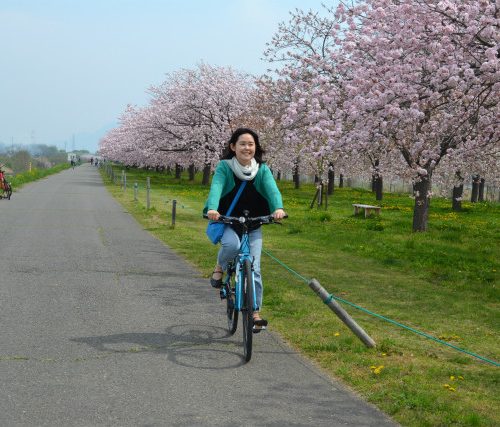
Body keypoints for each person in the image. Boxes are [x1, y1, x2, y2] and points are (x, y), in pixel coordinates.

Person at [203, 128, 286, 330]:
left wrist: (278, 208)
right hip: (229, 220)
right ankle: (220, 268)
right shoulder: (225, 167)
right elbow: (217, 186)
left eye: (251, 144)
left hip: (254, 222)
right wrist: (213, 208)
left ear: (255, 147)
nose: (247, 148)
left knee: (254, 268)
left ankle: (255, 313)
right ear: (233, 147)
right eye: (242, 143)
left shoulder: (262, 169)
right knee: (231, 245)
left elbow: (272, 189)